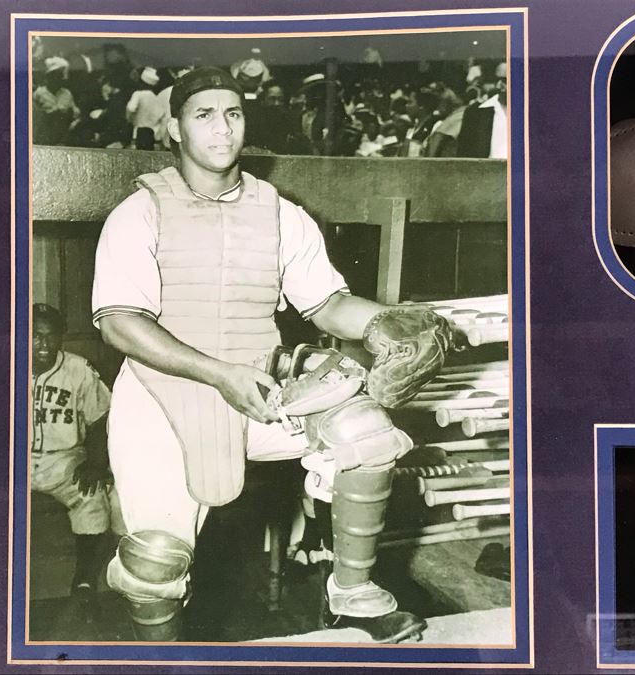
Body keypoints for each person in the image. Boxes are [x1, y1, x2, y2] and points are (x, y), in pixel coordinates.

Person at [91, 67, 446, 643]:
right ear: (175, 130)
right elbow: (121, 326)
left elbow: (327, 302)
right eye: (203, 114)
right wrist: (217, 373)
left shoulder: (278, 211)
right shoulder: (141, 211)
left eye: (232, 113)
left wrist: (385, 322)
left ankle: (352, 595)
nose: (222, 128)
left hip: (261, 387)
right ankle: (163, 658)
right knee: (154, 564)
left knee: (368, 433)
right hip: (163, 394)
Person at [30, 304, 125, 620]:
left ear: (60, 338)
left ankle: (84, 579)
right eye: (35, 336)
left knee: (92, 495)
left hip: (64, 459)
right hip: (15, 457)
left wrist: (96, 463)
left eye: (50, 337)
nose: (44, 345)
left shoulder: (79, 369)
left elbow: (101, 418)